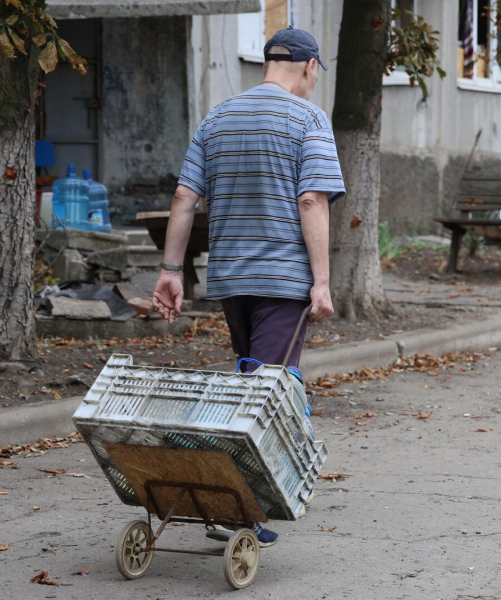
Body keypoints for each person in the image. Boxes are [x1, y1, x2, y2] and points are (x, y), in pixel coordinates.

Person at [152, 27, 344, 547]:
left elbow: (184, 198)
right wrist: (321, 283)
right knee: (264, 397)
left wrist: (171, 272)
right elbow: (312, 202)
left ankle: (235, 503)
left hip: (232, 280)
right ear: (308, 68)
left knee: (251, 388)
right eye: (314, 75)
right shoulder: (309, 120)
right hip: (283, 282)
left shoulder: (217, 119)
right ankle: (239, 510)